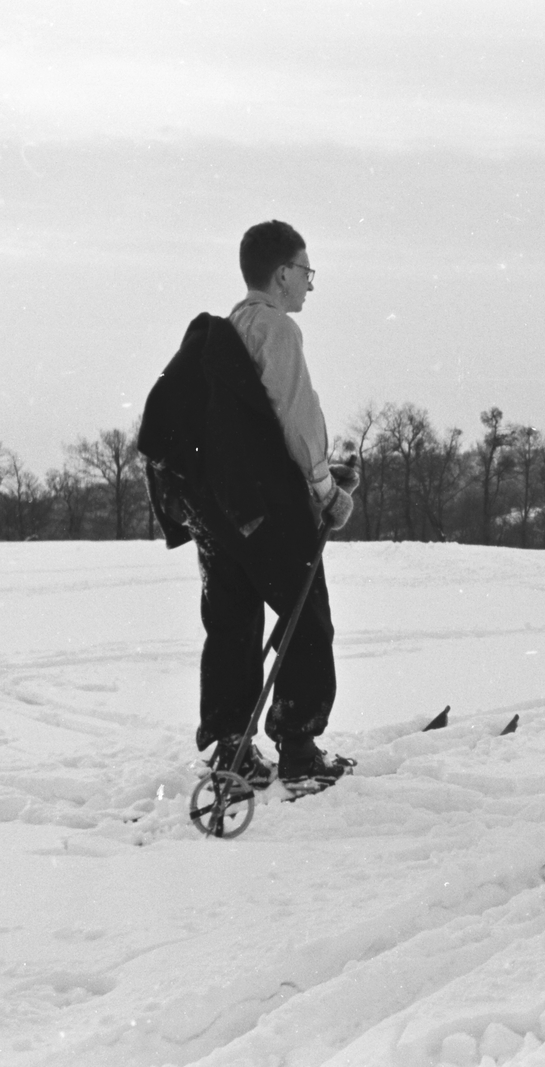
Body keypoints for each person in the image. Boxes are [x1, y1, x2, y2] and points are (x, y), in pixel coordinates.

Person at [138, 220, 357, 794]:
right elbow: (297, 420)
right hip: (263, 508)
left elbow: (245, 431)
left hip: (216, 509)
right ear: (282, 274)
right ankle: (300, 748)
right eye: (306, 272)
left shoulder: (226, 331)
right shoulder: (275, 330)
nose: (310, 284)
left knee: (232, 621)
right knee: (306, 615)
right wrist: (326, 491)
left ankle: (231, 744)